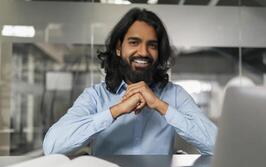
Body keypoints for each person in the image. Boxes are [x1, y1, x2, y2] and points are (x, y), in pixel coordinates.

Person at [43, 8, 217, 156]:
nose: (143, 52)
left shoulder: (175, 95)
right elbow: (52, 147)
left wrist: (159, 105)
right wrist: (116, 110)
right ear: (119, 48)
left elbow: (215, 146)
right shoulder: (95, 96)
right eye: (134, 42)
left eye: (152, 45)